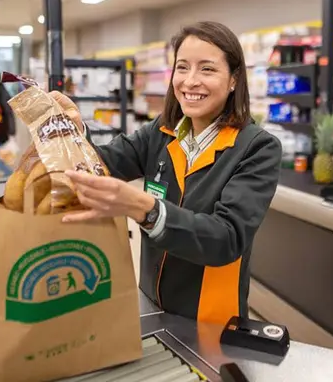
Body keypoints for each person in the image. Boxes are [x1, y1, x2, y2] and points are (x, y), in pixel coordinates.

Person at [54, 21, 282, 325]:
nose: (190, 81)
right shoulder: (161, 133)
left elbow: (225, 238)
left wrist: (142, 208)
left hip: (210, 319)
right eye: (182, 67)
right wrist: (71, 128)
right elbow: (102, 164)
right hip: (151, 304)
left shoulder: (256, 148)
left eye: (207, 69)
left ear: (234, 80)